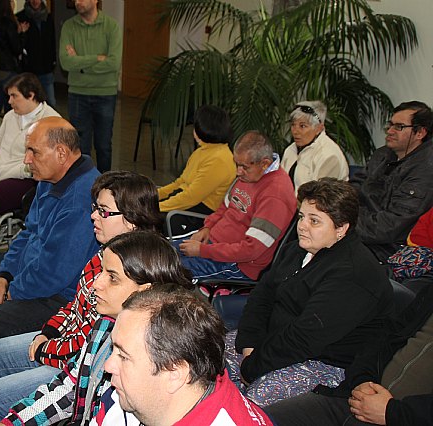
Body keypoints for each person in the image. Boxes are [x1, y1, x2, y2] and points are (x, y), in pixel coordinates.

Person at [0, 171, 161, 426]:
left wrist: (47, 349)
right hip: (65, 343)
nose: (93, 216)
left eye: (104, 211)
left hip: (78, 363)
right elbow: (75, 304)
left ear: (132, 220)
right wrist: (48, 332)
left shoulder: (134, 274)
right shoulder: (105, 252)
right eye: (95, 208)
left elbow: (90, 345)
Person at [0, 116, 100, 419]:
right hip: (31, 284)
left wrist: (13, 292)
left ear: (62, 153)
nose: (26, 161)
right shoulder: (51, 180)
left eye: (33, 152)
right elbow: (27, 233)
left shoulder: (81, 196)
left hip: (60, 299)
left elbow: (55, 273)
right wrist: (3, 278)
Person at [0, 231, 194, 426]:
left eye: (112, 277)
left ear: (144, 291)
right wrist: (13, 422)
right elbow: (70, 386)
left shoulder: (157, 363)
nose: (96, 284)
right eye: (101, 272)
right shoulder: (105, 324)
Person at [225, 178, 394, 407]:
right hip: (271, 344)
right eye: (302, 216)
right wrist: (249, 346)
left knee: (250, 407)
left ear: (341, 228)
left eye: (314, 221)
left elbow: (305, 337)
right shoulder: (301, 247)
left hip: (322, 362)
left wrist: (253, 366)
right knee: (199, 359)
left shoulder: (354, 274)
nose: (302, 226)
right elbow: (262, 295)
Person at [95, 287, 274, 426]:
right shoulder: (127, 394)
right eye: (114, 349)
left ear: (175, 373)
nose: (108, 365)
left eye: (124, 357)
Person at [263, 284, 433, 426]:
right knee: (260, 420)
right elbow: (385, 338)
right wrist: (363, 380)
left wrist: (392, 412)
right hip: (358, 399)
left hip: (401, 416)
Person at [173, 130, 296, 281]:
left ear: (265, 164)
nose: (238, 172)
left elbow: (251, 250)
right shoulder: (249, 176)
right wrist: (207, 228)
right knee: (154, 253)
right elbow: (224, 208)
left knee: (162, 270)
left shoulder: (275, 196)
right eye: (237, 164)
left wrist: (203, 251)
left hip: (237, 264)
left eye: (244, 167)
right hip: (212, 245)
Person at [350, 101, 433, 262]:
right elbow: (352, 189)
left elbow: (390, 227)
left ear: (420, 133)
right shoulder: (384, 154)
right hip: (360, 233)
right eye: (390, 125)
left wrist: (344, 220)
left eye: (399, 127)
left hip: (390, 250)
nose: (390, 131)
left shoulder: (426, 170)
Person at [59, 0, 122, 172]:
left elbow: (114, 63)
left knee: (103, 146)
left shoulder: (112, 26)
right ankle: (82, 185)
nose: (78, 2)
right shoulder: (69, 27)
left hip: (105, 93)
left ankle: (106, 187)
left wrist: (79, 64)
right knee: (80, 147)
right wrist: (97, 58)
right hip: (78, 93)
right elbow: (65, 62)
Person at [159, 105, 237, 237]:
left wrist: (156, 207)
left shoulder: (220, 160)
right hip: (186, 202)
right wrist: (154, 195)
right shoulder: (203, 150)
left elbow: (190, 198)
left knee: (143, 221)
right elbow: (180, 182)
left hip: (196, 214)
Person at [0, 72, 59, 215]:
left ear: (31, 95)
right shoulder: (9, 116)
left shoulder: (51, 121)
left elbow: (36, 165)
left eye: (14, 96)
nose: (9, 101)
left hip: (24, 178)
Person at [281, 101, 348, 190]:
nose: (295, 131)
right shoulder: (291, 149)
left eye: (302, 126)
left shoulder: (329, 155)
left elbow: (320, 197)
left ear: (318, 128)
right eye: (293, 125)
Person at [16, 0, 57, 106]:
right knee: (29, 103)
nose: (35, 1)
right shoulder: (20, 17)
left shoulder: (48, 17)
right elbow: (17, 44)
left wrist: (53, 60)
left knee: (50, 102)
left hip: (46, 67)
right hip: (28, 69)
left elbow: (52, 41)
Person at [0, 0, 23, 115]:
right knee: (12, 107)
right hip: (8, 69)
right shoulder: (9, 23)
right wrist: (21, 34)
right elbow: (17, 48)